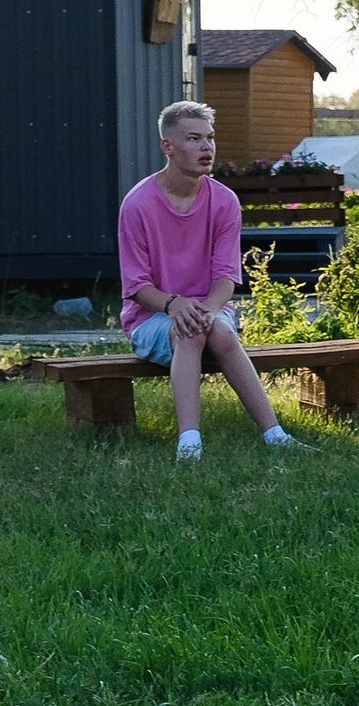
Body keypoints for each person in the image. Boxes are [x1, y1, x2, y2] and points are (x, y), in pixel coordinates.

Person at [119, 100, 309, 459]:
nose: (206, 148)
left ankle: (275, 435)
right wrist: (176, 306)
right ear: (168, 146)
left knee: (213, 329)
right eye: (194, 139)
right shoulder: (138, 204)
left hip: (211, 309)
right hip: (152, 318)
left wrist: (204, 309)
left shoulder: (224, 201)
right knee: (190, 331)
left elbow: (225, 276)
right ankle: (189, 442)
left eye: (210, 138)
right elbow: (136, 287)